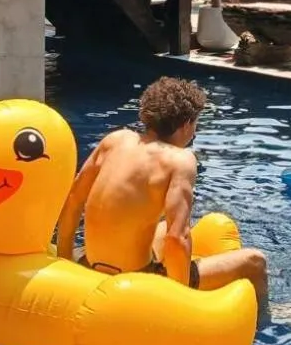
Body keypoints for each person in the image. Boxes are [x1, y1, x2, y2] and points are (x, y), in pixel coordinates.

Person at [56, 77, 269, 305]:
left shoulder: (116, 140)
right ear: (186, 124)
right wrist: (179, 299)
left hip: (87, 263)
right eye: (195, 124)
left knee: (159, 227)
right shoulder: (181, 160)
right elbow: (177, 237)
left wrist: (65, 261)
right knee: (255, 262)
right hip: (138, 278)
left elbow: (73, 200)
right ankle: (266, 319)